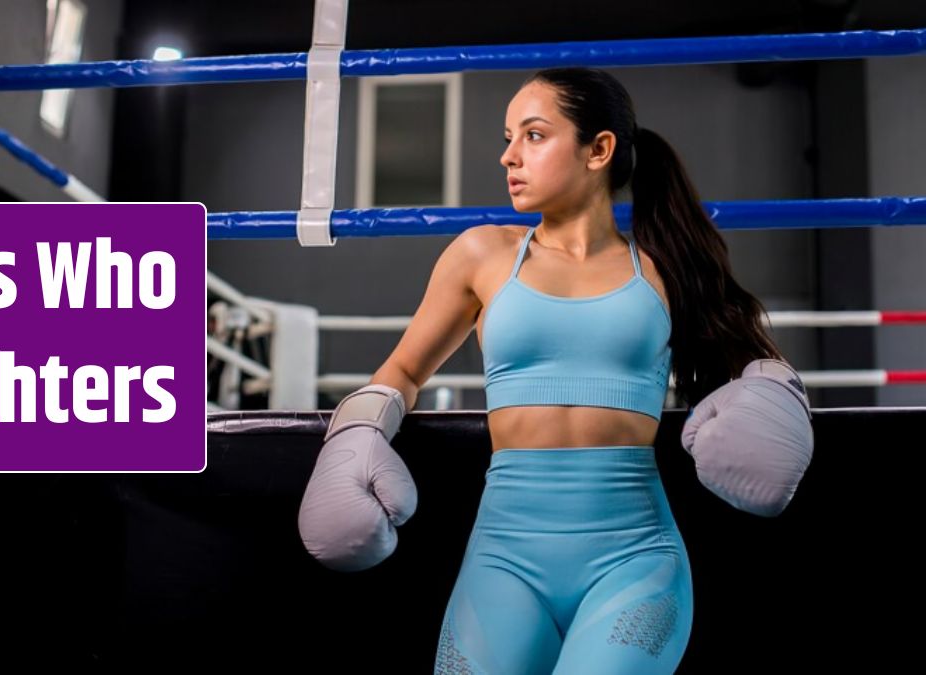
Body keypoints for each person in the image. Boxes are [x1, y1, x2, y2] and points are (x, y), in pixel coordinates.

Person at [298, 67, 814, 674]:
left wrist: (776, 397)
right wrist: (354, 433)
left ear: (599, 149)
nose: (509, 155)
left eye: (534, 135)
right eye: (509, 136)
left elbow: (754, 361)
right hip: (503, 557)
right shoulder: (483, 254)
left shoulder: (664, 265)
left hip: (634, 556)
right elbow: (402, 372)